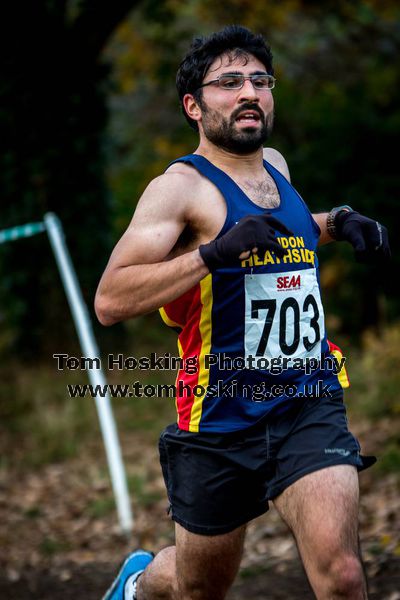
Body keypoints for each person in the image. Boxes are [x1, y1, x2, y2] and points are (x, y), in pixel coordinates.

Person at [95, 25, 390, 600]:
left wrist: (338, 224)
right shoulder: (177, 189)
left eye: (259, 80)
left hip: (308, 400)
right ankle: (137, 582)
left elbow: (280, 239)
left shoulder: (275, 163)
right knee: (197, 585)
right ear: (194, 106)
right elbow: (111, 298)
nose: (249, 92)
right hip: (219, 417)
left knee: (344, 578)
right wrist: (212, 254)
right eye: (229, 82)